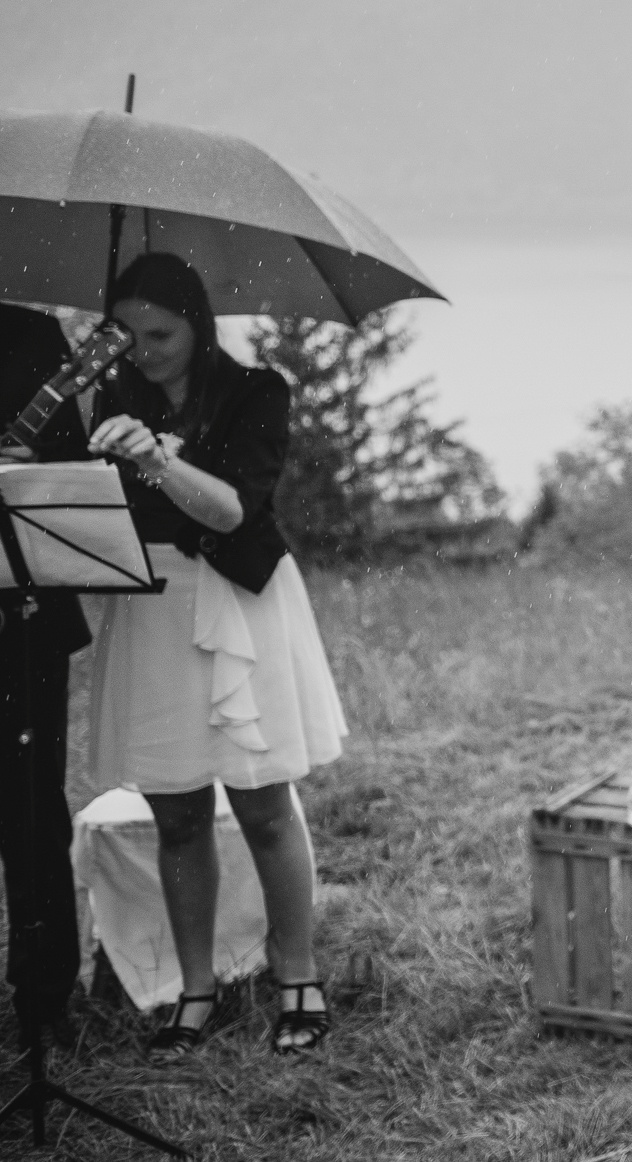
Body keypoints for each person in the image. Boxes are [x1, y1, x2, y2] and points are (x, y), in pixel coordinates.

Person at [83, 253, 347, 1056]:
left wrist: (156, 460)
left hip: (239, 602)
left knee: (264, 802)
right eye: (124, 333)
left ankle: (296, 975)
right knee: (177, 808)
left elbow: (233, 512)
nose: (142, 349)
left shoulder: (254, 391)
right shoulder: (106, 394)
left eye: (158, 332)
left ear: (197, 325)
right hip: (153, 608)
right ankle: (194, 988)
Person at [0, 304, 96, 1034]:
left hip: (24, 619)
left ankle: (43, 1000)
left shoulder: (31, 335)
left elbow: (74, 470)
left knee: (34, 809)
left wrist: (34, 468)